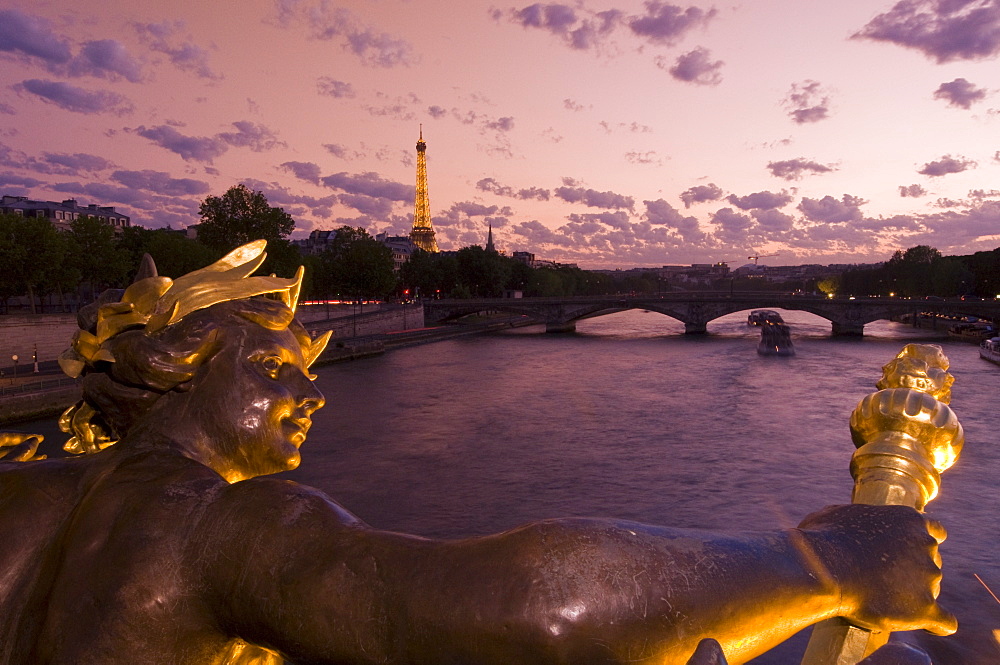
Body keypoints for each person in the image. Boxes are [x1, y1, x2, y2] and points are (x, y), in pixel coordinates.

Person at [0, 242, 955, 665]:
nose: (312, 390)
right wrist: (824, 560)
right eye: (278, 366)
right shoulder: (218, 524)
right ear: (180, 363)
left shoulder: (31, 498)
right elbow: (529, 607)